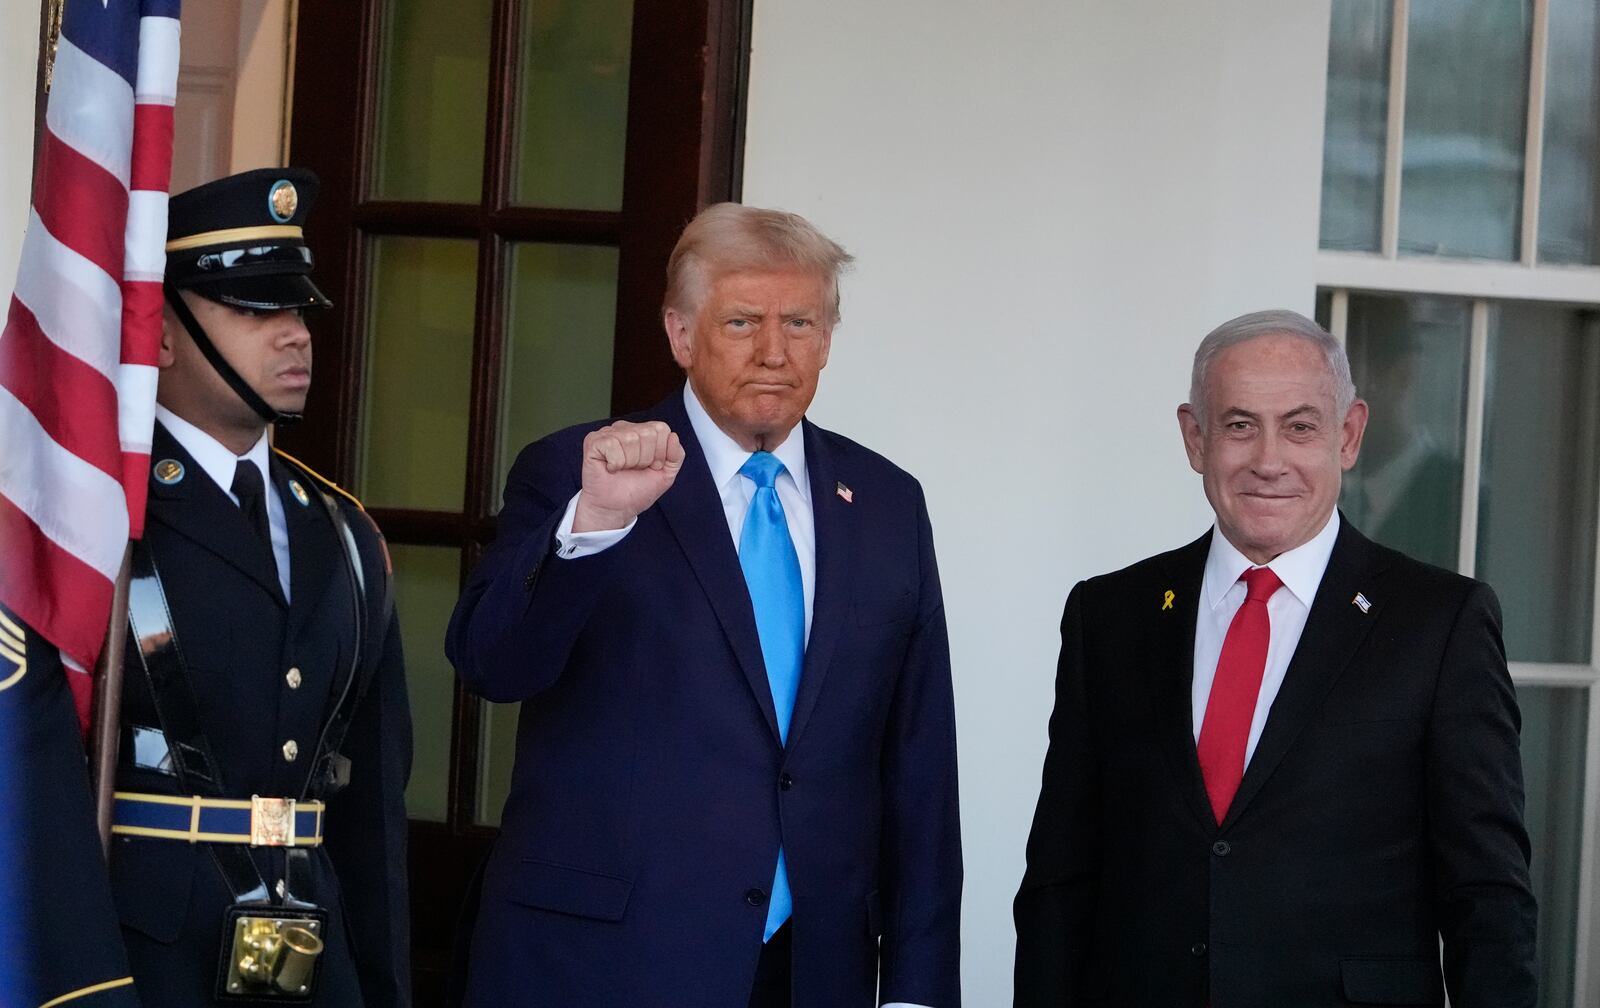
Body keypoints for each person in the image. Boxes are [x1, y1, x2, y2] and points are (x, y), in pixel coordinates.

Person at [447, 203, 962, 1008]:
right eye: (742, 321)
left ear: (827, 339)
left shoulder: (889, 503)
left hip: (811, 969)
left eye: (799, 322)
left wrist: (917, 988)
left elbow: (921, 761)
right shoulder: (579, 472)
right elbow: (492, 664)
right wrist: (596, 523)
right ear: (681, 334)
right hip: (605, 964)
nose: (773, 351)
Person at [1012, 309, 1536, 1007]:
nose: (1268, 459)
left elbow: (1488, 896)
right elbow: (1059, 879)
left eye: (1300, 426)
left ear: (1347, 436)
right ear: (1194, 438)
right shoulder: (1109, 615)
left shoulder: (1441, 623)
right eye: (1237, 425)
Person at [102, 168, 411, 1005]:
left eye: (297, 309)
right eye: (254, 310)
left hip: (313, 952)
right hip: (140, 954)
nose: (296, 335)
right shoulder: (102, 518)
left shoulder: (344, 531)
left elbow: (371, 811)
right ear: (161, 336)